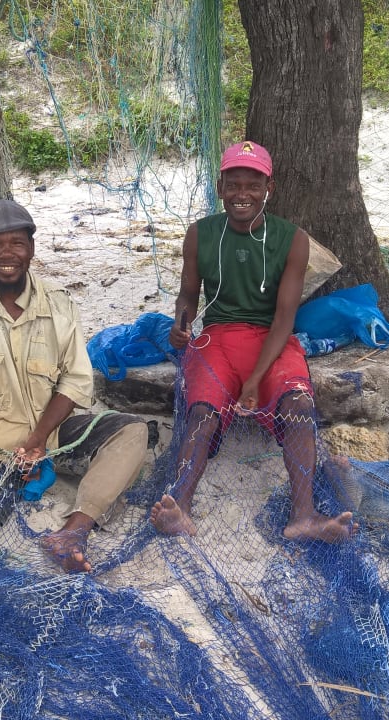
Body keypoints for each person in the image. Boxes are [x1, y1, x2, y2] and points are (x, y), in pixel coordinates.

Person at [0, 199, 148, 624]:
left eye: (17, 244)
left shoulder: (59, 304)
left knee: (131, 432)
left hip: (50, 436)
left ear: (31, 248)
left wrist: (40, 439)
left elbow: (76, 382)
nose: (7, 255)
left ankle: (72, 532)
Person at [148, 141, 357, 543]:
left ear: (268, 189)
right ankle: (181, 507)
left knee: (298, 403)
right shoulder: (200, 234)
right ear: (220, 187)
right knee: (204, 410)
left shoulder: (292, 239)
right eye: (233, 184)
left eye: (252, 185)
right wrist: (182, 322)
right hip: (218, 338)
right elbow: (188, 295)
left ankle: (304, 516)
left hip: (272, 340)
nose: (242, 194)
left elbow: (284, 318)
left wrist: (253, 381)